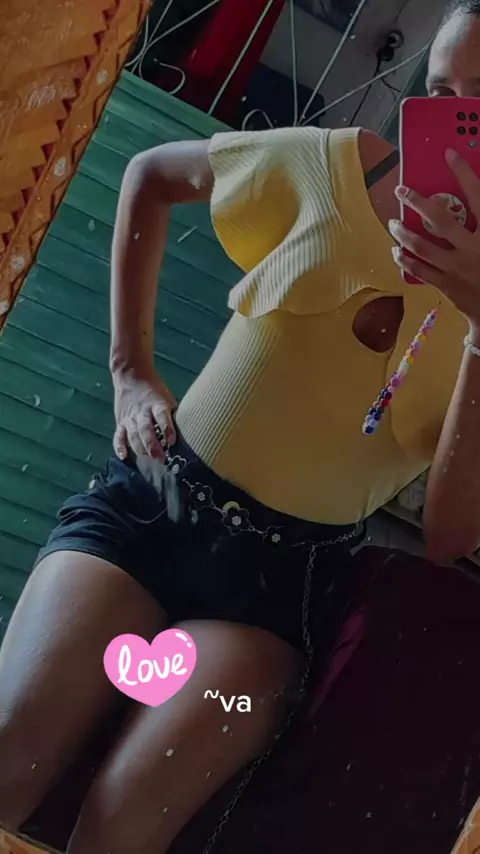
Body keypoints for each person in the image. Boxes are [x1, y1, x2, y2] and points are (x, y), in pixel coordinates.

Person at [1, 1, 480, 852]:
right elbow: (150, 174)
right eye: (442, 93)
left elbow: (449, 534)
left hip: (273, 597)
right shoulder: (337, 169)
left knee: (124, 821)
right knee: (9, 759)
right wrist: (129, 370)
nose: (453, 124)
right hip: (148, 512)